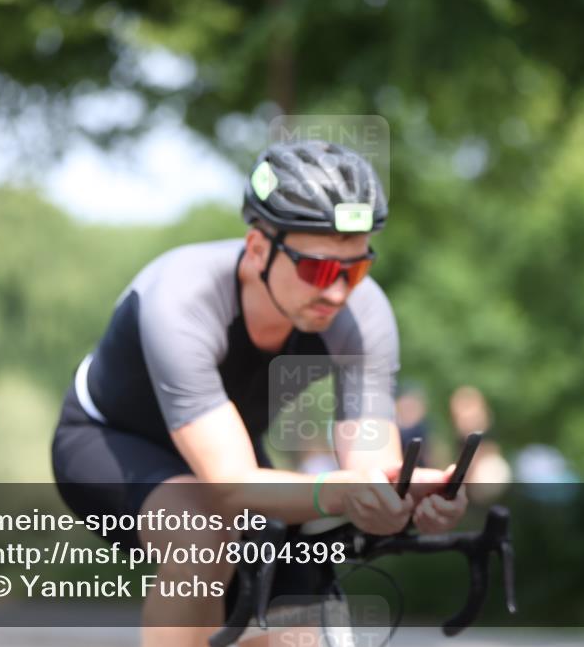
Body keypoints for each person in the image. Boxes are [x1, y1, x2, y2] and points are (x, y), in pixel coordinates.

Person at [51, 140, 468, 647]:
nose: (337, 291)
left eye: (354, 269)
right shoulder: (180, 298)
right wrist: (339, 492)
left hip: (233, 453)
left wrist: (405, 497)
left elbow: (371, 465)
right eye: (316, 269)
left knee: (299, 614)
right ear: (256, 250)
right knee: (203, 536)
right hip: (110, 443)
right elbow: (229, 485)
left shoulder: (363, 314)